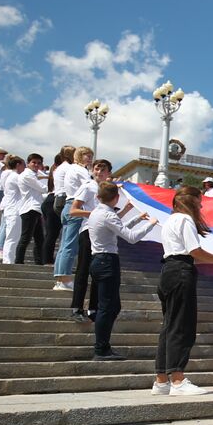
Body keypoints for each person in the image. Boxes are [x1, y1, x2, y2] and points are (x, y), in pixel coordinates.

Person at [154, 189, 213, 396]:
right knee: (182, 326)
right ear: (191, 201)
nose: (201, 206)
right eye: (199, 201)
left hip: (168, 270)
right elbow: (194, 251)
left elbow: (185, 253)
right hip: (181, 273)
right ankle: (178, 380)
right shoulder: (185, 220)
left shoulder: (170, 220)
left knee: (169, 326)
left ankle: (161, 380)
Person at [85, 182, 158, 360]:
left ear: (98, 196)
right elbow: (131, 238)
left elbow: (117, 227)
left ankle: (103, 343)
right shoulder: (107, 215)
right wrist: (151, 224)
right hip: (106, 261)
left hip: (98, 260)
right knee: (107, 307)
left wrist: (137, 219)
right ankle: (101, 348)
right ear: (116, 198)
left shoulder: (98, 212)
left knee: (112, 306)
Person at [68, 158, 115, 322]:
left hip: (104, 235)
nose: (99, 173)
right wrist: (94, 214)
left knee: (98, 273)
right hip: (88, 231)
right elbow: (73, 210)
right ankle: (77, 307)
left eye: (103, 170)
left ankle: (93, 308)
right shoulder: (87, 186)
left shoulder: (110, 190)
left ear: (109, 173)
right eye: (96, 169)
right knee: (83, 269)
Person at [52, 147, 92, 289]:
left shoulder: (70, 169)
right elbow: (91, 187)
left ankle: (60, 277)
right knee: (70, 245)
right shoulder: (81, 170)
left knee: (65, 244)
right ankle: (64, 278)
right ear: (80, 156)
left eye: (90, 155)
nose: (90, 158)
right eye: (87, 155)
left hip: (68, 205)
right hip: (76, 205)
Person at [11, 154, 49, 266]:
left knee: (39, 239)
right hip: (29, 209)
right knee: (26, 237)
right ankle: (18, 261)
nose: (36, 165)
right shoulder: (27, 175)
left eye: (39, 163)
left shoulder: (34, 174)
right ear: (28, 163)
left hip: (35, 208)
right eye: (34, 162)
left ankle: (39, 261)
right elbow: (43, 188)